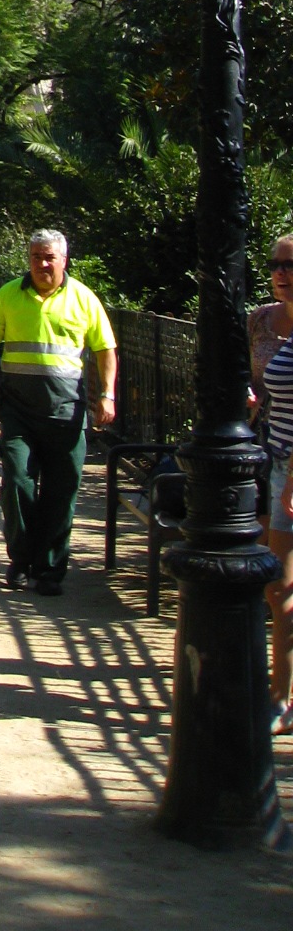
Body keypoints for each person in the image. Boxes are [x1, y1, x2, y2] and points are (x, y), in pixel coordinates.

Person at [0, 229, 116, 597]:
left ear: (64, 260)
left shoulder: (83, 299)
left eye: (49, 257)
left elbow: (106, 349)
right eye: (36, 256)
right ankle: (21, 560)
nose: (42, 264)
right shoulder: (8, 295)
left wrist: (107, 395)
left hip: (65, 413)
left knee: (61, 492)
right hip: (18, 410)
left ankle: (50, 569)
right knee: (17, 481)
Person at [253, 235, 293, 734]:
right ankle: (279, 695)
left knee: (281, 585)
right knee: (275, 583)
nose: (282, 272)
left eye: (292, 264)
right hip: (274, 458)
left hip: (290, 471)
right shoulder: (262, 319)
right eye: (275, 264)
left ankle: (281, 698)